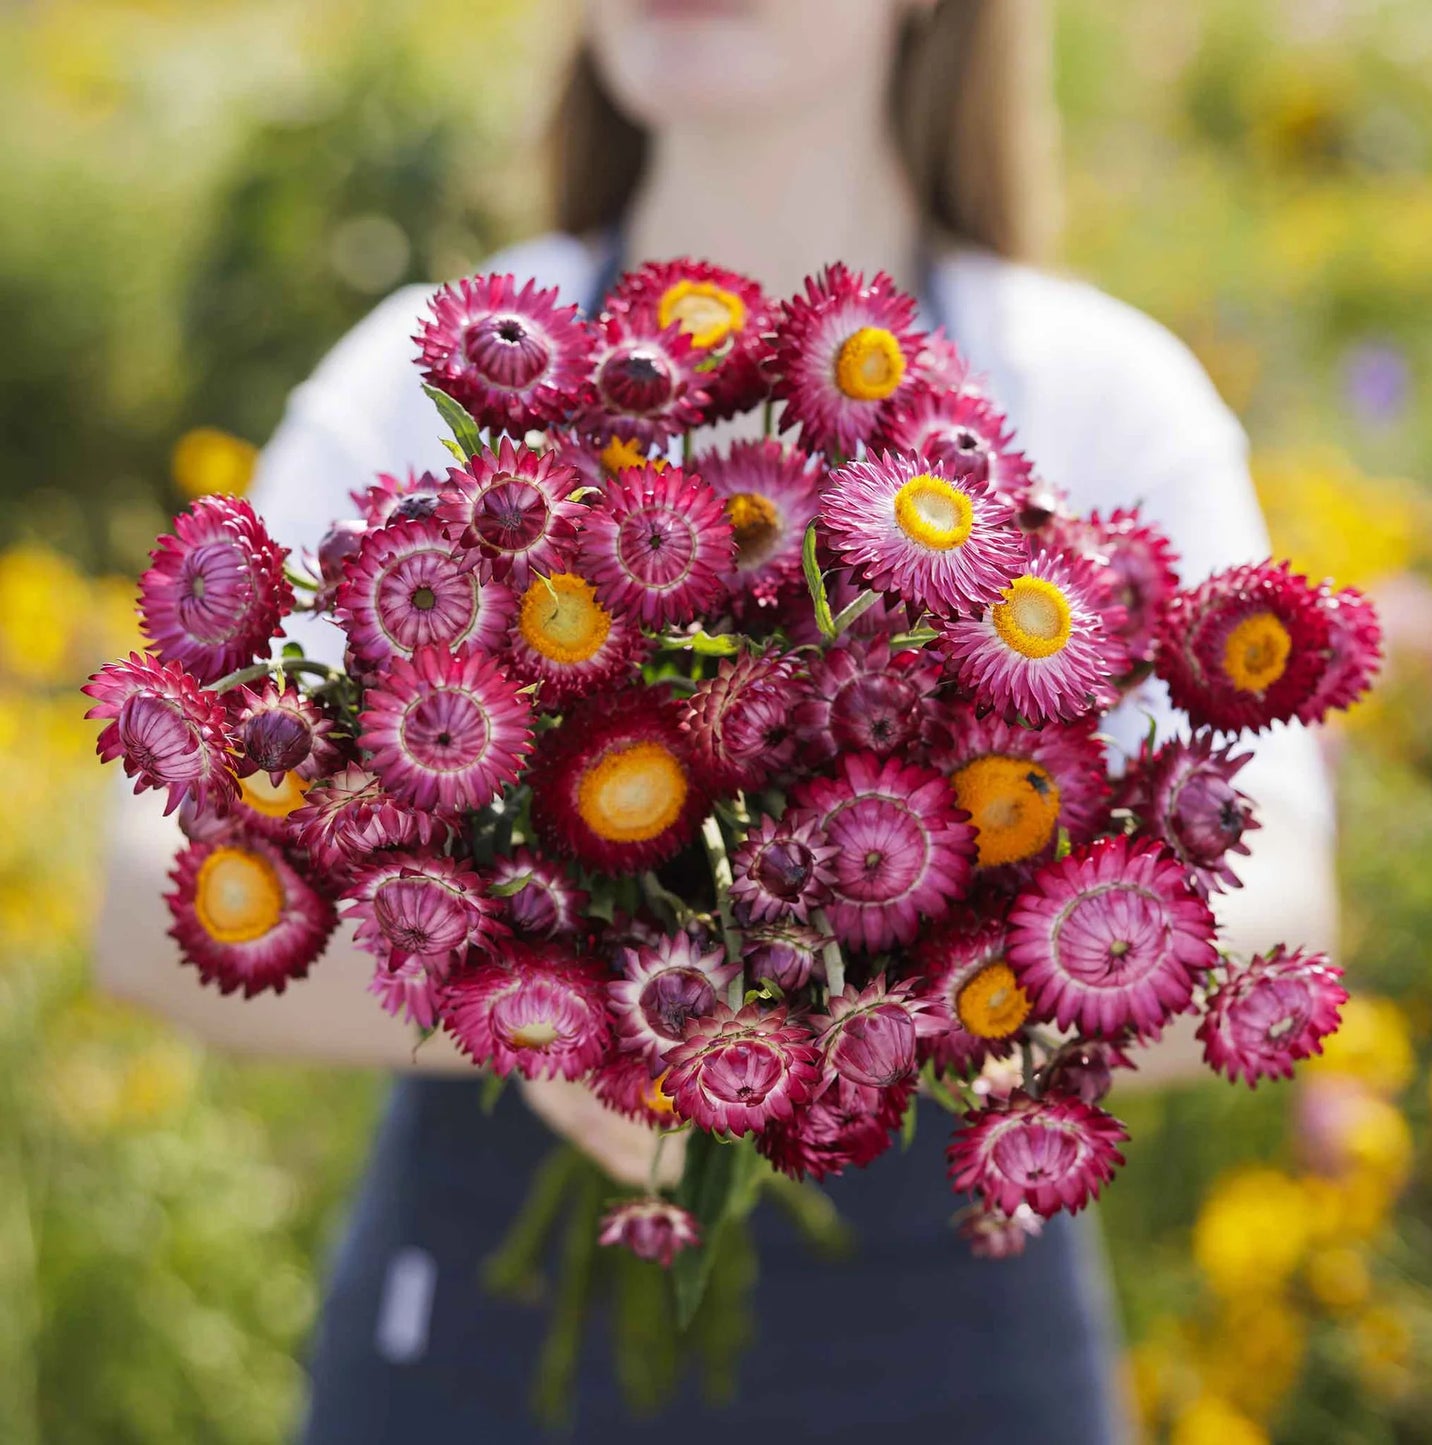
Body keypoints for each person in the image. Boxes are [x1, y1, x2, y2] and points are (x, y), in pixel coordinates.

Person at [96, 1, 1338, 1440]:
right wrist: (536, 1009)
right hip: (474, 1374)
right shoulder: (440, 370)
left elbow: (1277, 892)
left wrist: (935, 1001)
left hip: (953, 1380)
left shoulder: (1088, 390)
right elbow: (147, 896)